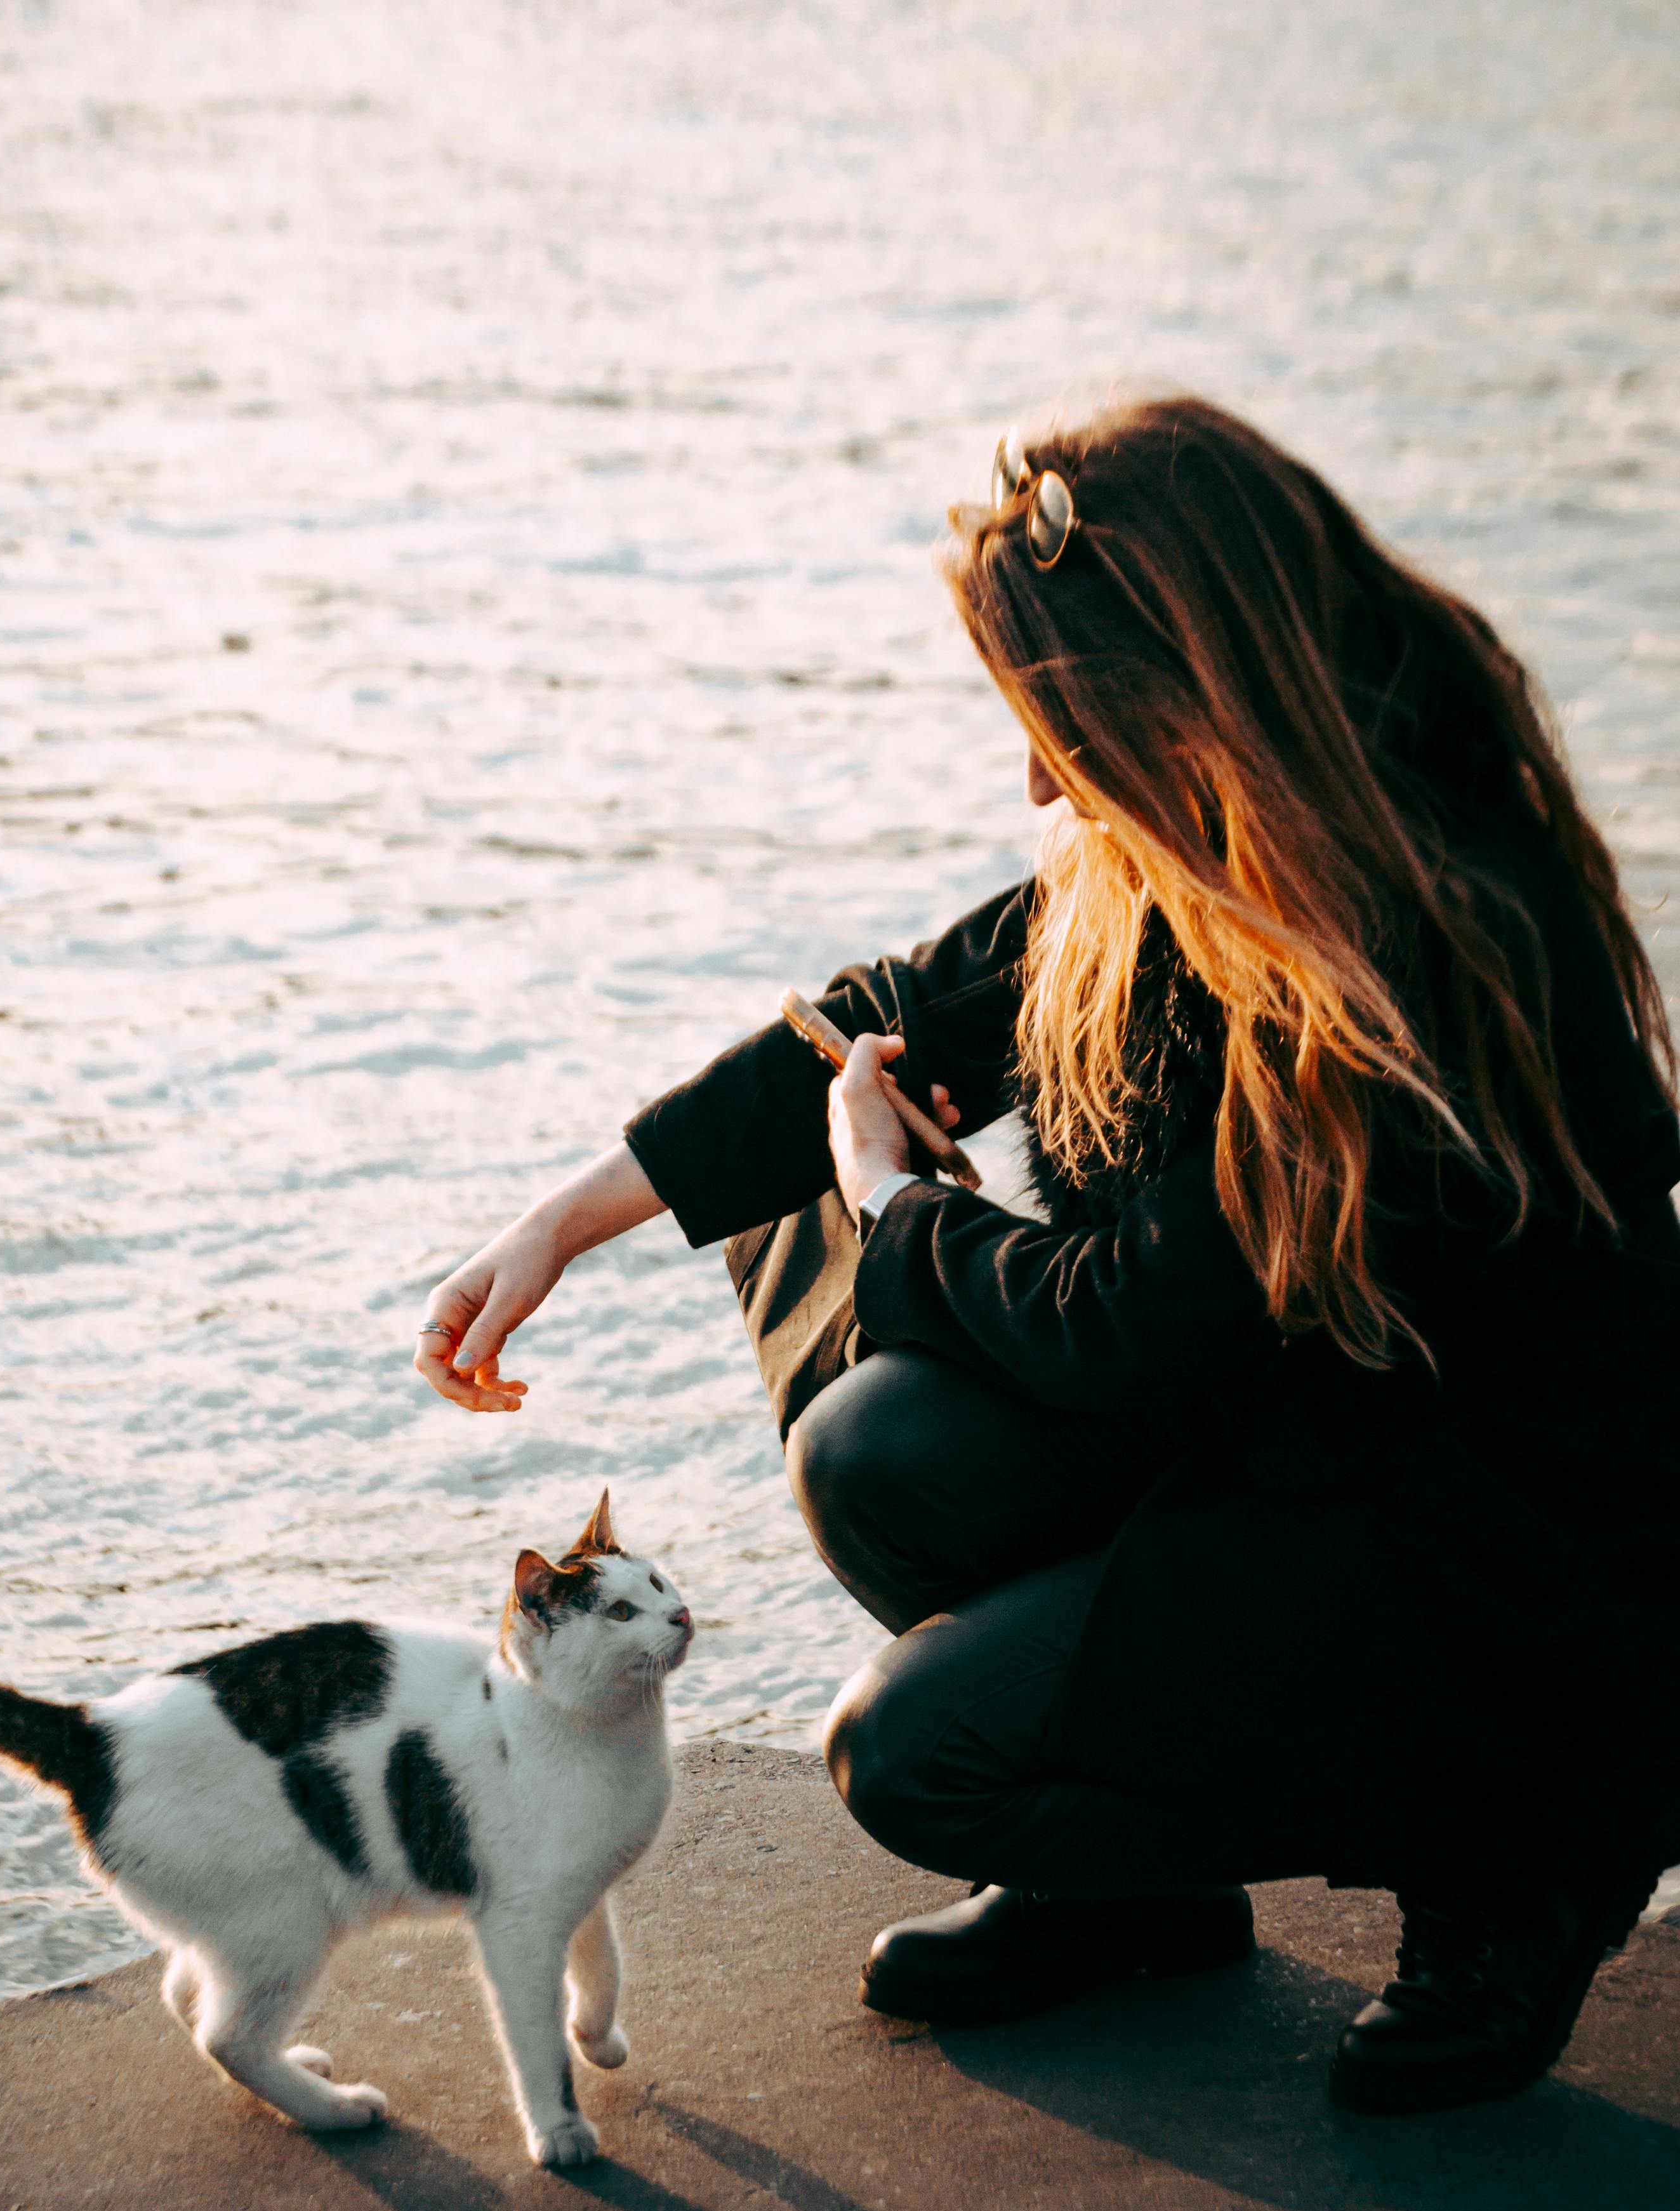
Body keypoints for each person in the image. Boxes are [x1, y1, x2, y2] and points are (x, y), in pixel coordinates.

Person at [413, 392, 1680, 2116]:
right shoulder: (1192, 851)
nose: (1033, 782)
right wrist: (556, 1223)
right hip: (1297, 1443)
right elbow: (897, 1018)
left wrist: (896, 1211)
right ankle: (1133, 1884)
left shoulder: (1412, 936)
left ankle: (1511, 1877)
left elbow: (1133, 1328)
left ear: (1177, 696)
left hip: (1495, 1554)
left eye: (1053, 731)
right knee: (876, 1440)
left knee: (914, 1751)